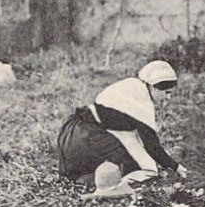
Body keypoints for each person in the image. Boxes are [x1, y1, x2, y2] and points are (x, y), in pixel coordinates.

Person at [57, 60, 187, 195]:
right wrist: (175, 167)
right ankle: (89, 179)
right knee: (135, 167)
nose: (169, 97)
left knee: (132, 156)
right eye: (167, 92)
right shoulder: (142, 102)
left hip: (71, 132)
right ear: (154, 87)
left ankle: (82, 174)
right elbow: (152, 146)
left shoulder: (132, 84)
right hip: (85, 138)